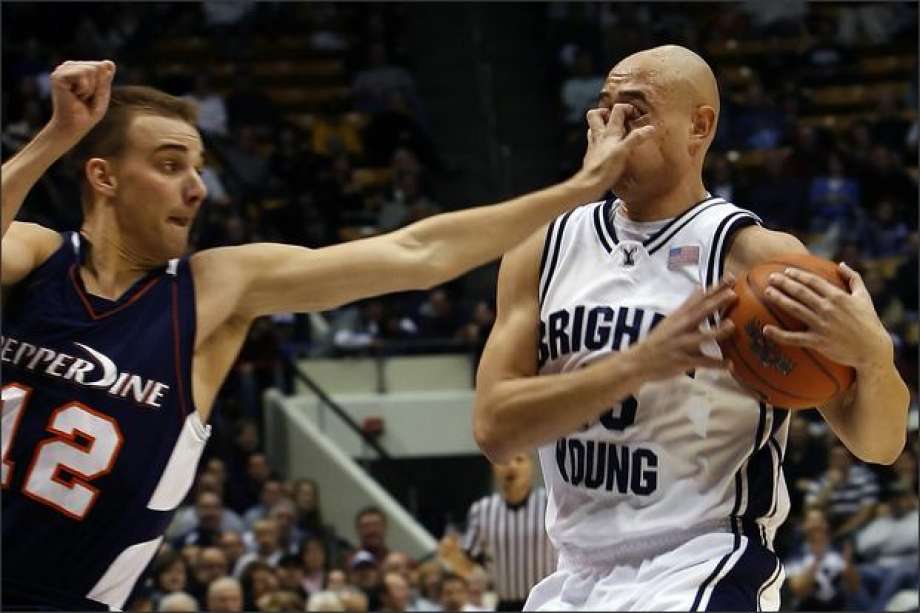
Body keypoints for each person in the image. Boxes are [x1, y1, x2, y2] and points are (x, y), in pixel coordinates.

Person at [0, 58, 651, 610]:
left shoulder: (211, 288)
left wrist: (580, 188)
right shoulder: (35, 257)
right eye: (170, 165)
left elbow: (417, 252)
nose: (197, 187)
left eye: (198, 167)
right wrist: (56, 135)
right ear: (103, 177)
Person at [473, 45, 908, 611]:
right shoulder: (541, 250)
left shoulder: (758, 260)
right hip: (576, 575)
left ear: (699, 126)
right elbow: (493, 429)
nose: (614, 128)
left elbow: (879, 443)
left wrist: (874, 360)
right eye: (605, 110)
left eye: (636, 111)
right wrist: (636, 364)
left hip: (705, 565)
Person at [459, 453, 556, 611]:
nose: (511, 466)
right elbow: (469, 558)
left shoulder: (549, 503)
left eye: (519, 459)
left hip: (547, 603)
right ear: (493, 467)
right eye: (504, 460)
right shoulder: (482, 510)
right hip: (505, 604)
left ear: (531, 467)